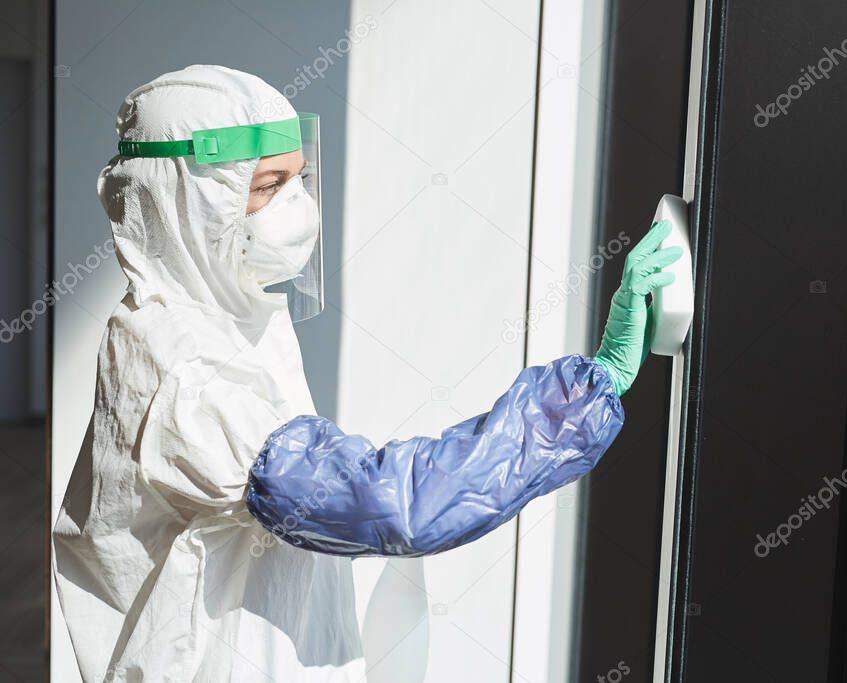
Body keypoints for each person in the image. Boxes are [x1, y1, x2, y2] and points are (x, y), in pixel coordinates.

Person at [52, 64, 682, 682]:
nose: (294, 210)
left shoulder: (227, 313)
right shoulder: (178, 370)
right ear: (186, 199)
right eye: (267, 185)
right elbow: (398, 504)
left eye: (298, 181)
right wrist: (592, 386)